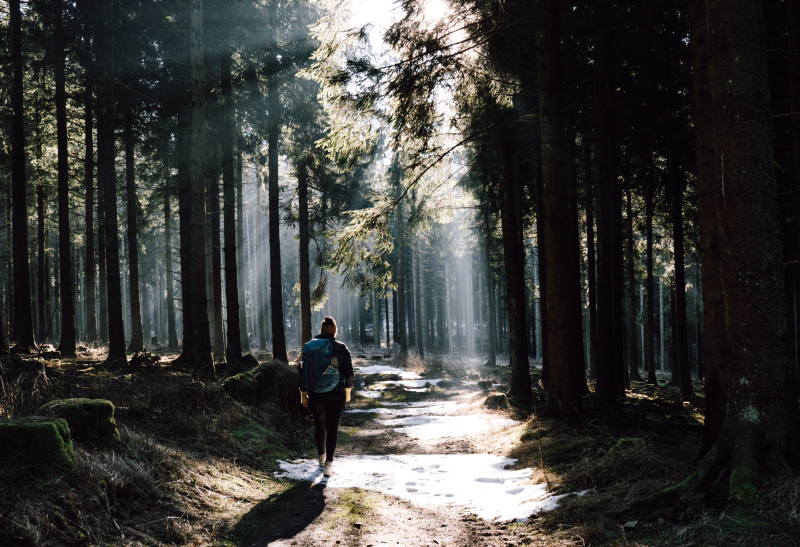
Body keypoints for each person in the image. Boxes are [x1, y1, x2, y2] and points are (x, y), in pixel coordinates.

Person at [299, 316, 354, 477]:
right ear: (334, 331)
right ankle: (329, 464)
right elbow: (349, 373)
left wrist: (303, 393)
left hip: (315, 394)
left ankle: (321, 459)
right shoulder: (340, 348)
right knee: (332, 428)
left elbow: (302, 371)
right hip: (336, 393)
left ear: (321, 330)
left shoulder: (309, 347)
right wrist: (348, 390)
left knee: (320, 426)